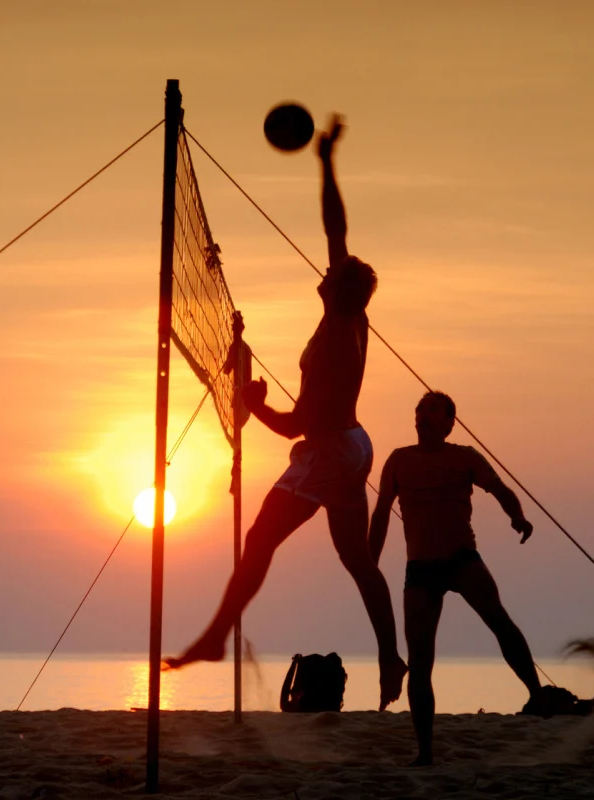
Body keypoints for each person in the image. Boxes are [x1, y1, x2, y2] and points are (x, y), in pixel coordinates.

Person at [165, 115, 408, 711]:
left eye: (329, 276)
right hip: (354, 444)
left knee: (260, 536)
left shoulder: (330, 346)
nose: (323, 274)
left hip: (328, 448)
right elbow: (337, 229)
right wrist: (325, 162)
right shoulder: (350, 314)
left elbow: (299, 426)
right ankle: (389, 654)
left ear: (334, 289)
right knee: (356, 562)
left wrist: (257, 407)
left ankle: (217, 637)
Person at [368, 390, 542, 766]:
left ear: (450, 422)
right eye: (418, 410)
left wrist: (517, 517)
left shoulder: (464, 457)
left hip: (463, 560)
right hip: (420, 571)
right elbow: (381, 511)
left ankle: (537, 693)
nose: (422, 415)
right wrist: (370, 559)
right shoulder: (399, 460)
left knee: (500, 621)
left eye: (432, 410)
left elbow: (499, 489)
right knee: (420, 659)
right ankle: (425, 751)